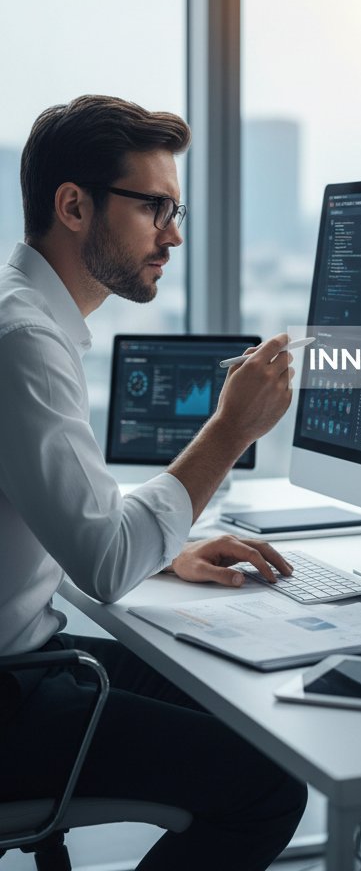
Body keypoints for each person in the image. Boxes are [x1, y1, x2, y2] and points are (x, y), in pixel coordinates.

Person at [0, 95, 306, 869]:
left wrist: (168, 545)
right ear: (73, 205)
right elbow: (103, 566)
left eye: (178, 210)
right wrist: (230, 429)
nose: (173, 235)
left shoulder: (25, 319)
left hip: (27, 659)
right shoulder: (24, 343)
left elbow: (69, 522)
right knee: (270, 781)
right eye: (154, 208)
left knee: (233, 699)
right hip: (10, 694)